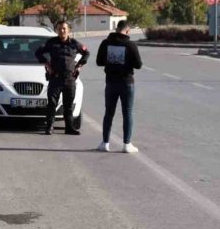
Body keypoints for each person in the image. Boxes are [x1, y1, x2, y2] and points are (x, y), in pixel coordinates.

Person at [35, 20, 89, 135]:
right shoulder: (52, 42)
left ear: (68, 30)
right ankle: (49, 127)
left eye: (64, 28)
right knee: (52, 103)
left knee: (68, 105)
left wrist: (79, 66)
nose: (62, 31)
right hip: (55, 78)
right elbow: (38, 52)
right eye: (59, 29)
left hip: (69, 78)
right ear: (57, 30)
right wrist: (47, 65)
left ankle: (69, 128)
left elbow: (86, 53)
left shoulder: (74, 43)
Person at [95, 20, 142, 153]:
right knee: (127, 113)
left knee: (108, 113)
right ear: (127, 31)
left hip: (110, 82)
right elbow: (138, 64)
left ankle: (105, 143)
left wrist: (111, 62)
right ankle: (127, 144)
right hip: (127, 83)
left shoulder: (105, 43)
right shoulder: (130, 44)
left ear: (117, 29)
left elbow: (99, 62)